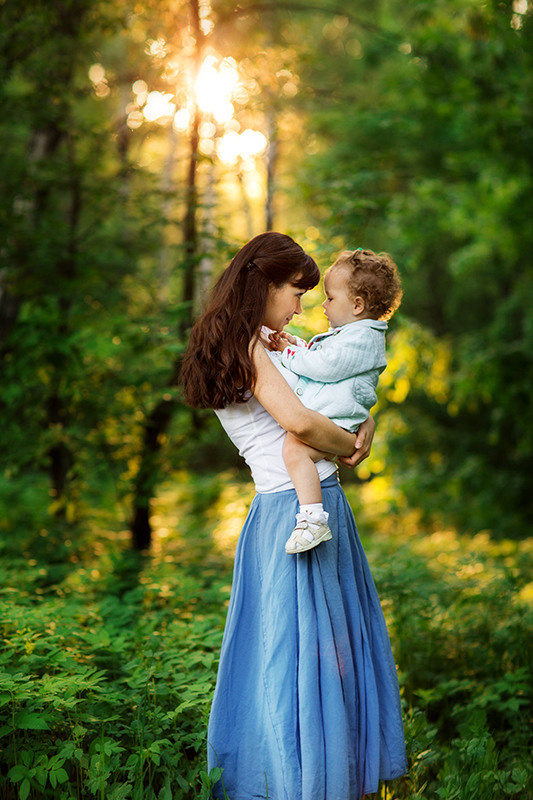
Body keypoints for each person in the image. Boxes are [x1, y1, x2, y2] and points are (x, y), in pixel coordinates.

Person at [181, 232, 407, 800]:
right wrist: (351, 443)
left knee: (319, 652)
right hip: (296, 508)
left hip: (300, 505)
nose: (302, 307)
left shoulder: (260, 339)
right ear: (265, 285)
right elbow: (302, 424)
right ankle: (301, 782)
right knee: (302, 656)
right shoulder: (247, 346)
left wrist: (363, 418)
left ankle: (325, 777)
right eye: (296, 292)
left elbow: (332, 388)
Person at [268, 248, 402, 555]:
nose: (323, 305)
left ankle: (313, 519)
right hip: (333, 418)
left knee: (295, 448)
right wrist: (295, 346)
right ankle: (312, 516)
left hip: (336, 419)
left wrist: (289, 353)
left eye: (330, 298)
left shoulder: (362, 338)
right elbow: (325, 358)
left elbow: (325, 366)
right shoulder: (352, 334)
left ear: (357, 305)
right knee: (296, 449)